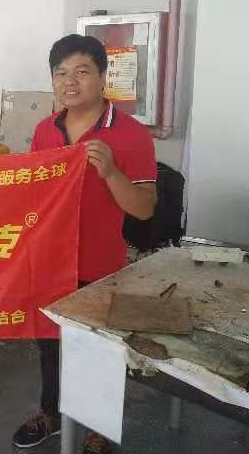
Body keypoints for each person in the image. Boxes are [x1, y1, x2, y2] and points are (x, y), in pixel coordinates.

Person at [12, 34, 157, 454]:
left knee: (97, 352)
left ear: (103, 75)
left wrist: (110, 172)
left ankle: (96, 429)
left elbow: (144, 209)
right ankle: (51, 414)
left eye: (81, 71)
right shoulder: (45, 130)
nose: (70, 82)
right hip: (49, 262)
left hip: (99, 265)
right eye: (60, 73)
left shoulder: (131, 134)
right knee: (50, 346)